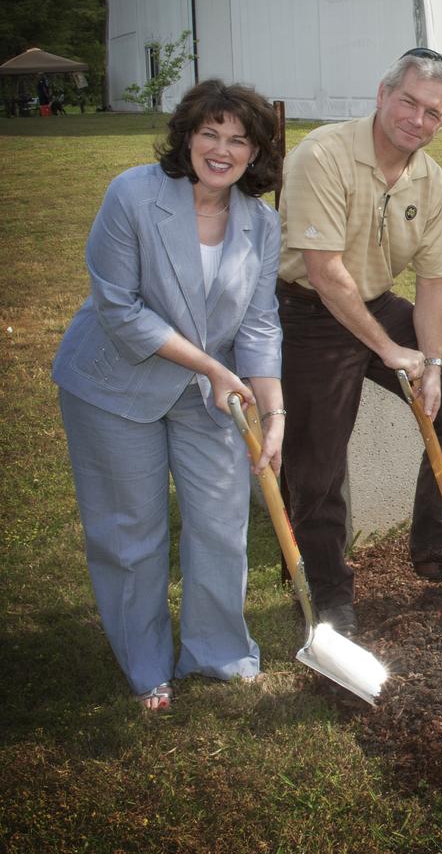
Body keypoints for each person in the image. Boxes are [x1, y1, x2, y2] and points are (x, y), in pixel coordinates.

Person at [54, 80, 284, 711]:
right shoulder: (132, 195)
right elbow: (120, 308)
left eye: (239, 139)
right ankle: (146, 662)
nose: (222, 149)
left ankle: (217, 651)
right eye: (210, 132)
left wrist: (275, 413)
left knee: (221, 522)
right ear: (186, 136)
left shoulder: (261, 223)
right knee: (133, 529)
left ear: (256, 153)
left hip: (211, 391)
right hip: (115, 384)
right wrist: (213, 367)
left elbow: (261, 322)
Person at [276, 47, 442, 638]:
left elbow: (434, 283)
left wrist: (429, 363)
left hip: (376, 302)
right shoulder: (321, 154)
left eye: (433, 112)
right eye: (409, 102)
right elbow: (325, 273)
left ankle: (438, 547)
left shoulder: (431, 180)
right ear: (382, 96)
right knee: (318, 457)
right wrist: (387, 349)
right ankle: (326, 591)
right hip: (307, 311)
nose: (418, 119)